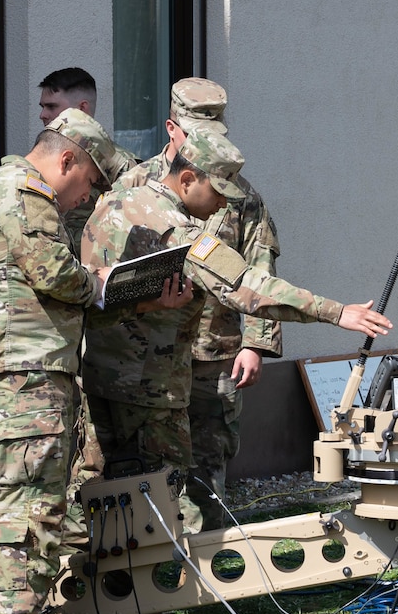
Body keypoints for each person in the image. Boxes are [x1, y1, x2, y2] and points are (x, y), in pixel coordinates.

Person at [82, 126, 391, 536]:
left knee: (101, 493)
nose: (224, 204)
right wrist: (335, 313)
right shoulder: (178, 229)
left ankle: (107, 589)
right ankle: (164, 589)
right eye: (219, 192)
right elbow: (248, 287)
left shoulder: (117, 199)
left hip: (97, 379)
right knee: (159, 497)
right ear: (188, 179)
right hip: (149, 392)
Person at [0, 108, 119, 614]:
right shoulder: (25, 191)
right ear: (67, 159)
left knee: (30, 501)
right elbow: (53, 272)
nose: (89, 197)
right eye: (91, 183)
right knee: (30, 510)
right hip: (23, 375)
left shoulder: (3, 186)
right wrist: (99, 283)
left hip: (20, 370)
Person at [112, 79, 281, 498]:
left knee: (209, 464)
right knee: (140, 467)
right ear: (172, 129)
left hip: (212, 353)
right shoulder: (135, 185)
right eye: (194, 134)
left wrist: (256, 344)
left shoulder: (239, 194)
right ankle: (146, 559)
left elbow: (260, 264)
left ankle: (206, 554)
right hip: (147, 353)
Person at [36, 67, 135, 247]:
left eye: (51, 106)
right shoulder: (45, 159)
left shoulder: (119, 165)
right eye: (42, 107)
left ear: (82, 108)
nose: (43, 115)